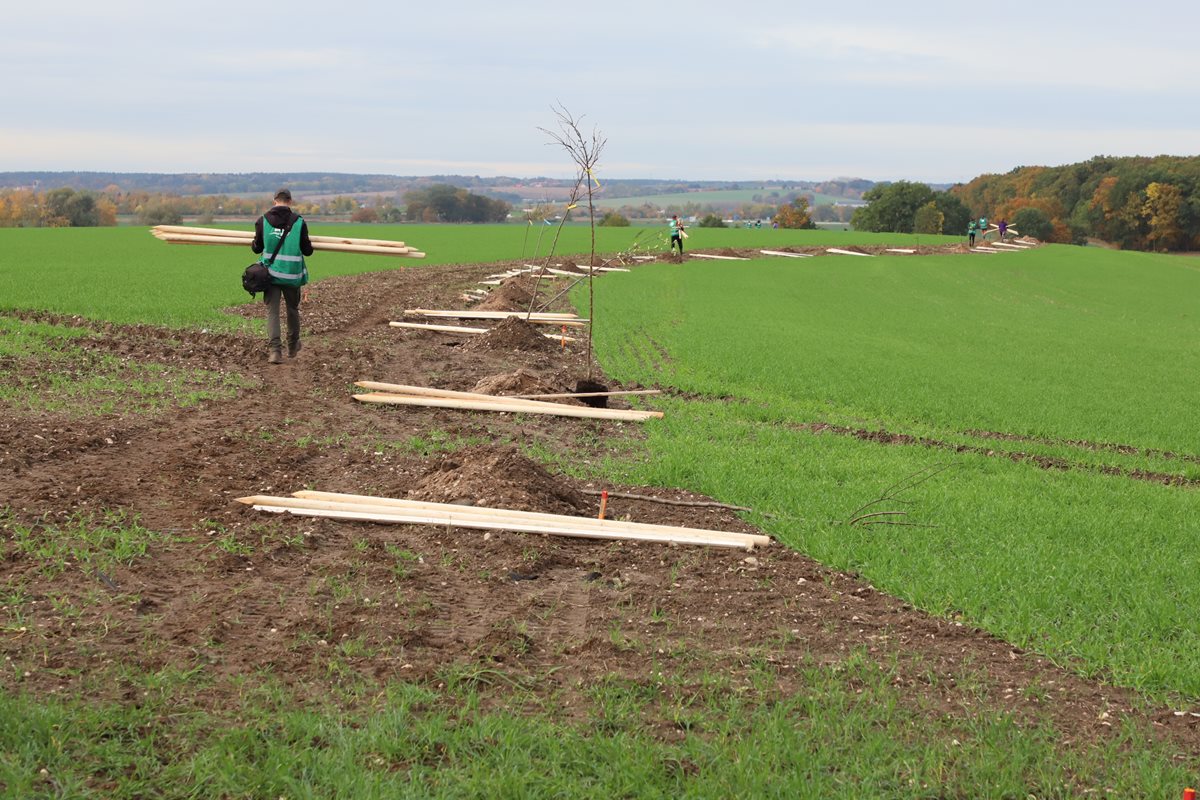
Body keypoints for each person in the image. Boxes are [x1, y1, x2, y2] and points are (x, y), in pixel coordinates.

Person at [251, 189, 314, 364]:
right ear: (290, 201)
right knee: (292, 309)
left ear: (274, 201)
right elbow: (307, 251)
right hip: (292, 275)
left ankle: (275, 352)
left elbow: (257, 248)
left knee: (273, 313)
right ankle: (293, 346)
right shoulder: (299, 222)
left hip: (269, 276)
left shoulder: (262, 221)